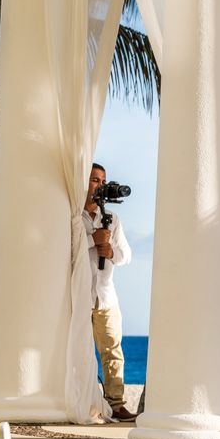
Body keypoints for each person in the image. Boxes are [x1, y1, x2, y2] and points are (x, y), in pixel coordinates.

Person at [84, 163, 135, 422]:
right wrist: (93, 241)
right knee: (78, 350)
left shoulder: (113, 219)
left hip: (106, 297)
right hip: (78, 297)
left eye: (102, 180)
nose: (99, 185)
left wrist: (111, 251)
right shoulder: (72, 216)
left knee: (112, 350)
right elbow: (62, 249)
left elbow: (126, 255)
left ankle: (116, 404)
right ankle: (83, 399)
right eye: (94, 179)